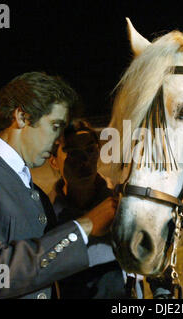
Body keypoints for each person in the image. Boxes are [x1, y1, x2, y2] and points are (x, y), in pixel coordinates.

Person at [0, 72, 117, 299]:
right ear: (21, 117)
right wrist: (84, 227)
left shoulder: (37, 195)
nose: (59, 140)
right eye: (55, 126)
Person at [48, 119, 144, 298]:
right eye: (73, 153)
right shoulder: (45, 217)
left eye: (90, 150)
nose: (84, 160)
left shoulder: (124, 203)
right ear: (53, 161)